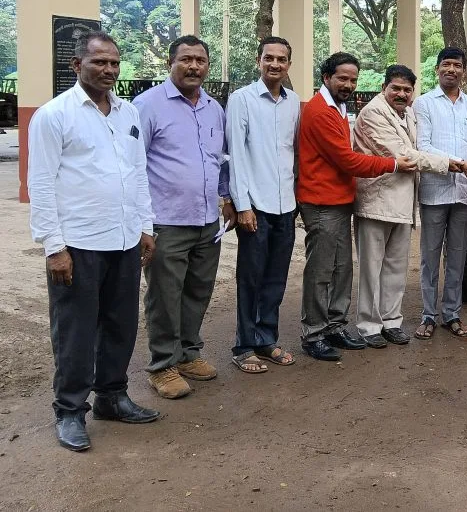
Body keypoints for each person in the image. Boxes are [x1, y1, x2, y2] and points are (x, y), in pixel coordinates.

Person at [28, 31, 160, 452]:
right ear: (77, 66)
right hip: (78, 244)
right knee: (76, 331)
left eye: (115, 63)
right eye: (99, 62)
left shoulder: (128, 113)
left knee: (121, 324)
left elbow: (138, 174)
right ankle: (69, 410)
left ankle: (112, 396)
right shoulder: (54, 115)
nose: (108, 70)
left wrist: (146, 227)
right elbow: (42, 183)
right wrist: (54, 246)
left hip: (123, 239)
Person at [134, 35, 236, 399]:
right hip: (166, 221)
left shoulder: (213, 108)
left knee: (197, 291)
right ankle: (162, 366)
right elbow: (133, 165)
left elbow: (221, 159)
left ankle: (188, 353)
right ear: (169, 62)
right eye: (186, 59)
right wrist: (143, 223)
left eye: (200, 61)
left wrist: (225, 197)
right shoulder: (147, 106)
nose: (194, 66)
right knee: (164, 294)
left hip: (207, 220)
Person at [295, 53, 415, 361]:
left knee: (341, 269)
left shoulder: (338, 107)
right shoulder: (320, 111)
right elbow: (346, 160)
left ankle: (334, 325)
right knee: (322, 271)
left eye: (353, 80)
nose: (348, 84)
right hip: (321, 201)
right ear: (326, 78)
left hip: (340, 200)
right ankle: (314, 333)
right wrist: (391, 164)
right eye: (342, 78)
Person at [353, 64, 467, 348]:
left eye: (407, 89)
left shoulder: (408, 115)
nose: (401, 94)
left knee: (395, 267)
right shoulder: (373, 113)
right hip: (376, 203)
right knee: (371, 269)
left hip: (403, 204)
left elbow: (420, 148)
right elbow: (403, 155)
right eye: (396, 88)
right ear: (384, 88)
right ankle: (369, 327)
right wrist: (449, 163)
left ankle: (391, 322)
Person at [227, 36, 301, 374]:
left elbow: (293, 153)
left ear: (289, 64)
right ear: (259, 61)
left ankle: (266, 338)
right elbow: (236, 156)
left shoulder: (294, 102)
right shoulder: (241, 100)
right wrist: (243, 205)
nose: (275, 64)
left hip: (286, 206)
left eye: (281, 59)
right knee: (251, 278)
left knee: (276, 278)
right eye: (269, 58)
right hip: (255, 206)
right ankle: (244, 346)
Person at [413, 48, 467, 340]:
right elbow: (424, 146)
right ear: (437, 69)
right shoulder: (424, 104)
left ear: (464, 72)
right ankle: (428, 316)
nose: (452, 69)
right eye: (446, 64)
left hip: (465, 193)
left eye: (457, 65)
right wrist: (456, 165)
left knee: (457, 256)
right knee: (429, 257)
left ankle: (452, 314)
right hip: (434, 190)